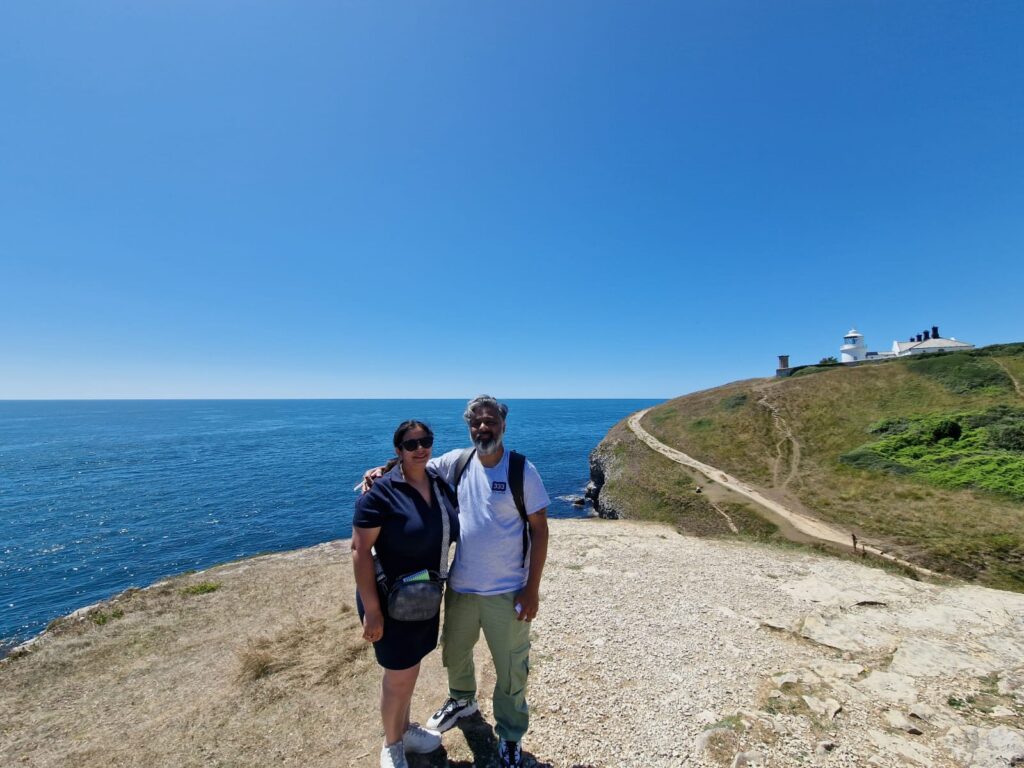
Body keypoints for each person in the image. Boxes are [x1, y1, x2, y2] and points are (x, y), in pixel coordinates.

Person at [365, 396, 550, 768]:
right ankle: (463, 700)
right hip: (462, 587)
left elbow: (540, 531)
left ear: (503, 424)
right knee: (457, 652)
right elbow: (414, 467)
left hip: (506, 590)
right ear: (469, 427)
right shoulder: (457, 462)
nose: (483, 427)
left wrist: (531, 589)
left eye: (490, 420)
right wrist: (380, 471)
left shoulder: (521, 470)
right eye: (477, 422)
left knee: (511, 666)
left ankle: (510, 734)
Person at [351, 420, 459, 768]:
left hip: (423, 598)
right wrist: (372, 610)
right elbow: (359, 550)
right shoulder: (382, 492)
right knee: (399, 676)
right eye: (411, 444)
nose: (420, 449)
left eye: (425, 441)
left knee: (410, 669)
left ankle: (405, 729)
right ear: (398, 451)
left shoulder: (439, 482)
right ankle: (392, 745)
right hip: (388, 600)